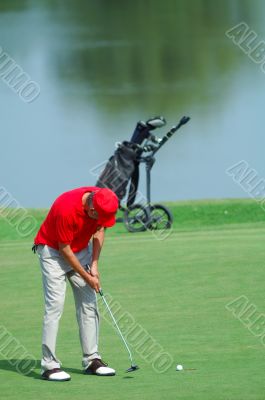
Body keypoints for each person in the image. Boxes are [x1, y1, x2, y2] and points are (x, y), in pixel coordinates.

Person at [33, 186, 119, 381]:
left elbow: (99, 231)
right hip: (53, 252)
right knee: (54, 306)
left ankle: (92, 360)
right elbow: (64, 249)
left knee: (89, 304)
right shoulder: (66, 209)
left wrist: (94, 265)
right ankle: (49, 366)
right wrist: (87, 276)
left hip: (80, 250)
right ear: (91, 211)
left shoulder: (102, 198)